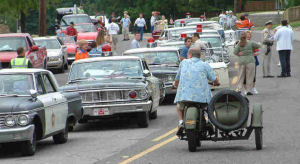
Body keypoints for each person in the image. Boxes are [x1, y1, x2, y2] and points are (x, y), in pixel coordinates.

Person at [173, 48, 219, 135]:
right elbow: (213, 79)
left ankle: (181, 122)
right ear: (200, 55)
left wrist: (175, 85)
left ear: (190, 55)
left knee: (179, 107)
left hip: (185, 97)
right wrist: (217, 83)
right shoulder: (205, 65)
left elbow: (177, 78)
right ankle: (209, 121)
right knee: (210, 106)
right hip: (202, 98)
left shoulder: (183, 63)